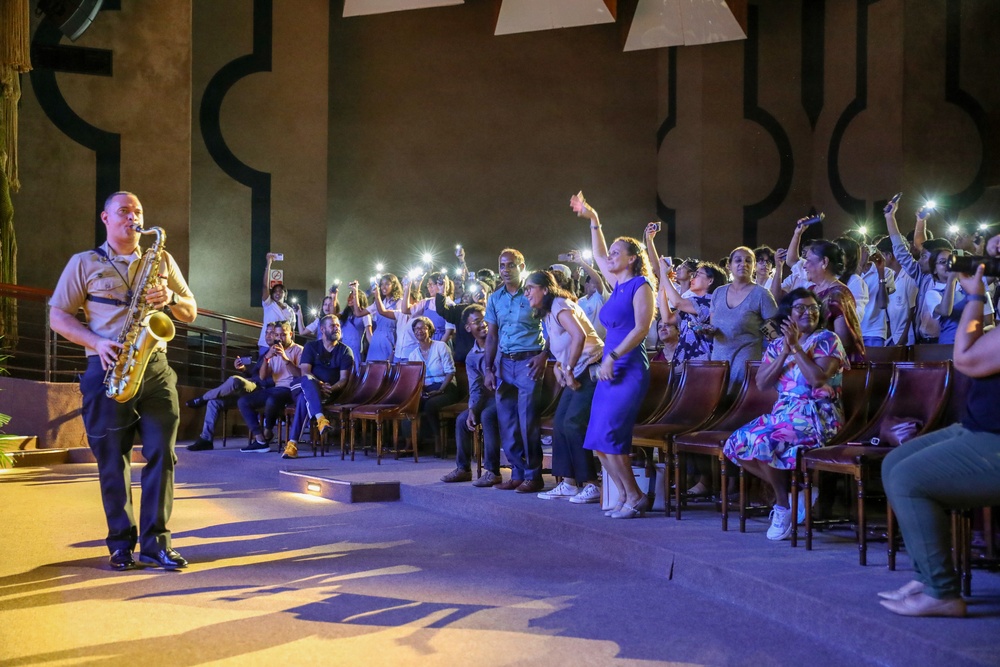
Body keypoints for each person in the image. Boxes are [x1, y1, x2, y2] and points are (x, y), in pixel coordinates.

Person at [49, 191, 197, 571]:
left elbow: (190, 310)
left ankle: (156, 543)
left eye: (138, 211)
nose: (133, 217)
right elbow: (58, 316)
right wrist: (96, 342)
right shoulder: (83, 263)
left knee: (163, 454)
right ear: (105, 218)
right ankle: (120, 544)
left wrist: (169, 300)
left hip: (155, 366)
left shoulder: (160, 259)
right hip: (108, 365)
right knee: (112, 459)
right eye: (124, 212)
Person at [878, 243, 1000, 617]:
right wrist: (977, 298)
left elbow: (965, 356)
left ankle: (942, 592)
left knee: (909, 480)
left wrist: (976, 296)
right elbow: (980, 339)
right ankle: (929, 574)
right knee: (894, 462)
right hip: (979, 430)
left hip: (993, 442)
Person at [723, 288, 847, 540]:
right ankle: (793, 493)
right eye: (800, 308)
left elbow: (817, 379)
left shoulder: (827, 339)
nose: (808, 312)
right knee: (735, 443)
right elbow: (763, 383)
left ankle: (782, 507)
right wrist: (784, 351)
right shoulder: (778, 345)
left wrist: (797, 349)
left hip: (818, 415)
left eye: (813, 308)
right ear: (787, 315)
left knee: (764, 441)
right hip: (783, 414)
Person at [570, 192, 656, 518]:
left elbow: (642, 329)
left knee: (612, 436)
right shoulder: (616, 283)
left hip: (628, 366)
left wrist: (612, 356)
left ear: (632, 258)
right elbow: (597, 252)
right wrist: (593, 218)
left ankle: (636, 496)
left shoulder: (640, 285)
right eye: (611, 253)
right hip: (610, 368)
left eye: (617, 253)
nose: (610, 257)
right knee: (597, 440)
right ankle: (622, 495)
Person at [524, 270, 604, 504]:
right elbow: (564, 344)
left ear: (545, 289)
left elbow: (579, 336)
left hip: (591, 367)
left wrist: (567, 369)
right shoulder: (549, 312)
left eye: (530, 287)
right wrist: (560, 366)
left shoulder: (559, 304)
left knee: (573, 423)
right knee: (560, 422)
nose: (526, 292)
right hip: (576, 370)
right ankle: (568, 483)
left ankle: (591, 483)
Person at [484, 248, 548, 493]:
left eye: (511, 265)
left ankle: (534, 475)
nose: (505, 270)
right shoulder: (495, 298)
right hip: (504, 363)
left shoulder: (533, 293)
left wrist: (545, 354)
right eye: (502, 265)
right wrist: (489, 368)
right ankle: (517, 472)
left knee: (527, 421)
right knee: (507, 422)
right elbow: (491, 335)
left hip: (528, 362)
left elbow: (552, 326)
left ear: (522, 266)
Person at [185, 322, 276, 451]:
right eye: (266, 332)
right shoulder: (265, 353)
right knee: (214, 402)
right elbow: (254, 375)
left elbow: (269, 380)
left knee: (234, 380)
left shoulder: (278, 353)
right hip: (250, 387)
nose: (268, 336)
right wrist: (244, 369)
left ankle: (202, 398)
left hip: (262, 391)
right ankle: (206, 439)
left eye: (272, 333)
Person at [440, 305, 504, 486]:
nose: (483, 324)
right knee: (463, 419)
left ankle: (493, 471)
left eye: (484, 320)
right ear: (468, 328)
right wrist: (471, 409)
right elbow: (475, 387)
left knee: (487, 415)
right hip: (488, 397)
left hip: (505, 395)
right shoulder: (471, 356)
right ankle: (463, 469)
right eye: (477, 322)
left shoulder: (501, 344)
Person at [283, 315, 354, 459]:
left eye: (338, 326)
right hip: (301, 385)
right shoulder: (311, 346)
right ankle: (321, 418)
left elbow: (343, 379)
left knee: (305, 399)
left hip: (328, 393)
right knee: (307, 381)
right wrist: (319, 385)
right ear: (322, 329)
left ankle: (292, 445)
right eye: (332, 326)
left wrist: (331, 388)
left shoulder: (346, 351)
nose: (336, 328)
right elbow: (305, 372)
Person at [710, 246, 779, 391]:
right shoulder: (718, 292)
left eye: (749, 261)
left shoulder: (761, 294)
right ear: (729, 265)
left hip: (746, 361)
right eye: (738, 260)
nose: (744, 264)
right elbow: (713, 325)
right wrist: (706, 331)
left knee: (738, 402)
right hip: (719, 360)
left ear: (754, 267)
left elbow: (774, 333)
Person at [792, 240, 866, 364]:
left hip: (832, 363)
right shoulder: (811, 291)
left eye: (809, 261)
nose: (804, 266)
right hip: (810, 359)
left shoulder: (839, 294)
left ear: (824, 262)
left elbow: (843, 341)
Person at [238, 320, 302, 452]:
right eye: (277, 335)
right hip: (276, 388)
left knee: (272, 399)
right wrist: (267, 358)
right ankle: (260, 439)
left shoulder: (299, 350)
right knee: (243, 401)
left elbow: (300, 375)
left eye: (283, 335)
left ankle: (267, 433)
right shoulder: (273, 351)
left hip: (292, 389)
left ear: (291, 334)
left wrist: (285, 358)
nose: (280, 338)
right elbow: (262, 376)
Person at [407, 316, 460, 451]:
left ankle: (438, 441)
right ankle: (410, 442)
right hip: (427, 389)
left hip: (446, 387)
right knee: (409, 405)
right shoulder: (413, 354)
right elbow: (415, 378)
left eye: (423, 328)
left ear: (429, 330)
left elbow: (450, 372)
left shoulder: (441, 347)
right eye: (416, 329)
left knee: (430, 405)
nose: (419, 331)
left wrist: (440, 390)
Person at [660, 258, 725, 363]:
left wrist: (664, 275)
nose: (692, 278)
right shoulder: (693, 302)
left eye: (697, 275)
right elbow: (668, 318)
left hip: (701, 364)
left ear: (710, 280)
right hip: (687, 361)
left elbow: (677, 302)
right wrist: (663, 281)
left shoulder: (710, 301)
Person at [260, 253, 296, 355]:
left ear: (285, 295)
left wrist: (292, 347)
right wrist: (269, 264)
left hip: (284, 347)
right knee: (264, 368)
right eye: (275, 291)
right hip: (266, 345)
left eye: (281, 291)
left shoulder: (290, 311)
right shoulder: (268, 304)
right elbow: (265, 286)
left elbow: (291, 330)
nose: (278, 293)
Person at [362, 274, 402, 362]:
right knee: (372, 368)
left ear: (394, 285)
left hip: (390, 338)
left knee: (386, 368)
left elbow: (401, 325)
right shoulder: (379, 302)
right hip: (377, 339)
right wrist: (355, 292)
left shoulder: (399, 302)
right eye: (382, 284)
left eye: (387, 284)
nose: (384, 287)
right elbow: (359, 313)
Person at [340, 284, 372, 368]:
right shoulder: (344, 314)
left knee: (355, 371)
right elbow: (332, 315)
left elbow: (369, 334)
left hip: (355, 348)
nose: (350, 299)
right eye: (349, 297)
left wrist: (375, 346)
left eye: (353, 297)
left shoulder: (365, 315)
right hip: (343, 347)